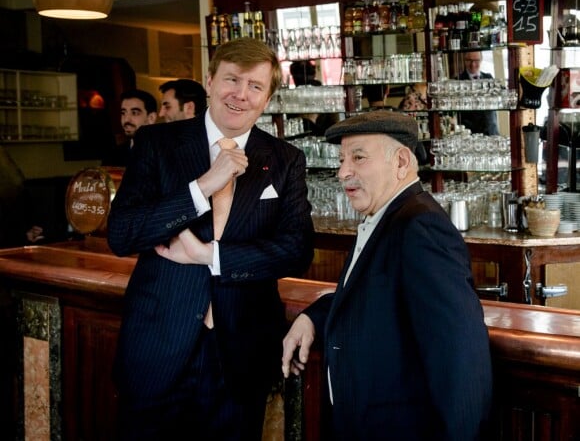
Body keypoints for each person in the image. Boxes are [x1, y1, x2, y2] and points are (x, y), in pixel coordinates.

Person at [107, 37, 314, 441]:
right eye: (232, 80)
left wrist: (211, 256)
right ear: (209, 80)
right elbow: (122, 233)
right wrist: (201, 188)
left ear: (267, 97)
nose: (241, 95)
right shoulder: (157, 144)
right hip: (158, 346)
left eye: (255, 86)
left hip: (239, 355)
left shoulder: (286, 159)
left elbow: (297, 250)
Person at [282, 111, 493, 441]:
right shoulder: (386, 216)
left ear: (401, 161)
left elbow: (460, 358)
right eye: (341, 160)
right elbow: (372, 296)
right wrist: (313, 317)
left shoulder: (420, 227)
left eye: (359, 158)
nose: (342, 172)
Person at [101, 88, 158, 167]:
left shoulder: (165, 155)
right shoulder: (112, 156)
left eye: (134, 113)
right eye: (123, 113)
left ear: (151, 118)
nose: (126, 119)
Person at [457, 52, 499, 135]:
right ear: (464, 61)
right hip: (470, 134)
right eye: (469, 60)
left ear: (481, 60)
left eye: (476, 60)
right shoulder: (458, 81)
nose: (473, 65)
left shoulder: (489, 78)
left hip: (491, 132)